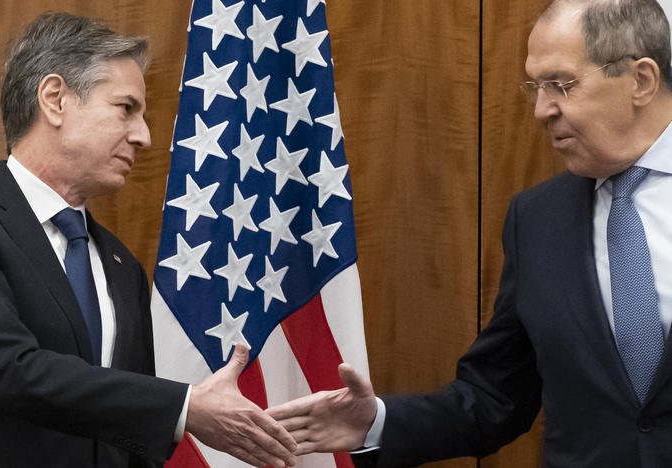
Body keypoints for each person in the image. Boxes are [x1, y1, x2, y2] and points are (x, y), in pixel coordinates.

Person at [267, 0, 672, 466]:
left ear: (641, 80)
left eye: (561, 84)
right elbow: (496, 397)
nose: (542, 110)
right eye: (535, 87)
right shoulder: (538, 219)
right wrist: (375, 422)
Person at [0, 12, 296, 468]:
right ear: (55, 99)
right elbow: (4, 368)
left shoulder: (122, 266)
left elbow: (130, 433)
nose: (144, 136)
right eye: (126, 108)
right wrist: (184, 407)